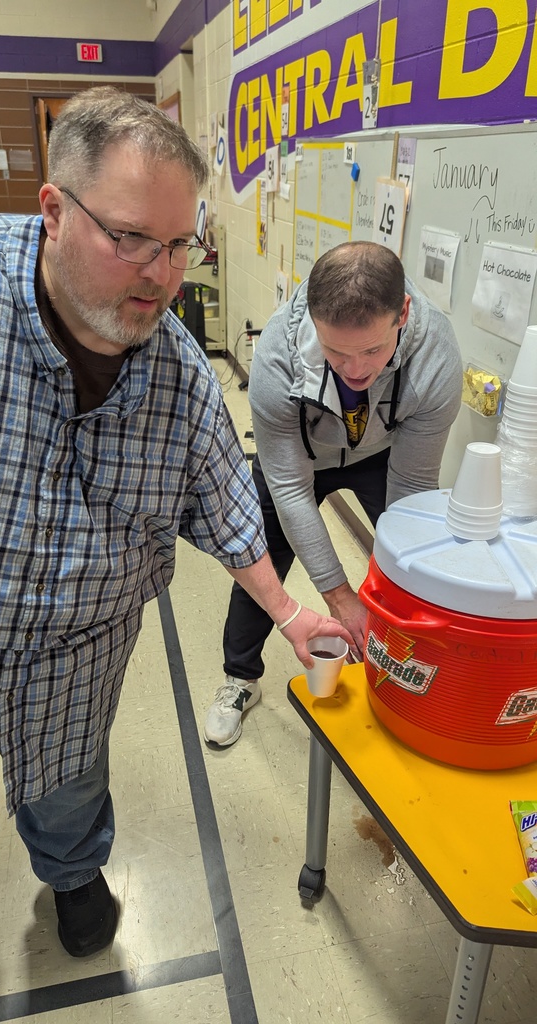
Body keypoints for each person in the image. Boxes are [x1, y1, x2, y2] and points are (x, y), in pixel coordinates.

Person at [0, 87, 348, 957]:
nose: (161, 273)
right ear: (54, 211)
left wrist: (291, 614)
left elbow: (227, 507)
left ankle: (71, 875)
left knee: (67, 785)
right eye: (131, 237)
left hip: (79, 654)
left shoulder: (177, 374)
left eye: (178, 245)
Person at [204, 241, 463, 747]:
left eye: (372, 350)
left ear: (403, 313)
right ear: (314, 323)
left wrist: (385, 587)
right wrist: (338, 594)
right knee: (261, 558)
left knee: (416, 560)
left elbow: (410, 495)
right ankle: (240, 679)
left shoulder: (436, 355)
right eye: (336, 351)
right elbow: (289, 487)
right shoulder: (277, 354)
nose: (355, 369)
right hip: (299, 461)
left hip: (382, 455)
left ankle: (405, 666)